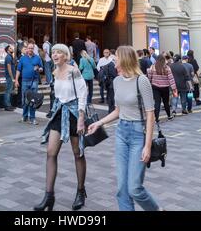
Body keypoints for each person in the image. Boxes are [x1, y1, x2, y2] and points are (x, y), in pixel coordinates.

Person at [88, 46, 162, 212]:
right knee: (122, 189)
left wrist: (147, 145)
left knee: (134, 188)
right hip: (121, 132)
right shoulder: (116, 81)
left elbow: (150, 114)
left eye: (116, 60)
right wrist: (99, 123)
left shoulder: (141, 80)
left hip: (138, 134)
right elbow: (118, 110)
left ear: (126, 60)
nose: (114, 64)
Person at [34, 44, 87, 212]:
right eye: (53, 52)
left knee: (77, 153)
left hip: (74, 113)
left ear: (65, 55)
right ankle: (49, 195)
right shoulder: (55, 72)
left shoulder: (74, 71)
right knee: (51, 152)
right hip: (60, 112)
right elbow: (58, 95)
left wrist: (81, 118)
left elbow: (82, 93)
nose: (54, 55)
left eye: (58, 52)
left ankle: (80, 191)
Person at [15, 42, 43, 125]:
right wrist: (16, 80)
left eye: (32, 48)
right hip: (24, 81)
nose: (30, 49)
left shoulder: (37, 58)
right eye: (29, 48)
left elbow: (41, 68)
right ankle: (24, 116)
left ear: (33, 49)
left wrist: (39, 69)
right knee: (25, 99)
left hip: (34, 81)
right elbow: (18, 70)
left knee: (33, 100)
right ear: (27, 49)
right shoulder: (23, 58)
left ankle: (32, 118)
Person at [147, 55, 177, 121]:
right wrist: (174, 88)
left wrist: (149, 84)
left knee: (157, 103)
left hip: (155, 87)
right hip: (165, 87)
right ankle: (169, 116)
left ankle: (156, 118)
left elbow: (149, 77)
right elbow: (171, 79)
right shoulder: (167, 68)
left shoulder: (152, 67)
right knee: (166, 102)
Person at [4, 45, 16, 112]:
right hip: (9, 77)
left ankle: (9, 105)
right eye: (10, 48)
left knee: (9, 90)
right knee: (8, 91)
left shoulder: (10, 57)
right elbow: (9, 68)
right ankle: (7, 105)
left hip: (10, 77)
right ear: (8, 50)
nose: (12, 49)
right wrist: (12, 77)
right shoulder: (8, 57)